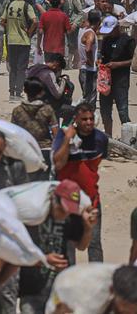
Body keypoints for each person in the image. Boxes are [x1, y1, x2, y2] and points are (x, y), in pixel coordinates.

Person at [17, 180, 97, 314]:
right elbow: (18, 250)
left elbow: (82, 246)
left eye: (68, 211)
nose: (64, 215)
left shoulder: (72, 216)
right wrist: (44, 259)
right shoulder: (33, 213)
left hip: (60, 287)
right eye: (61, 210)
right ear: (54, 198)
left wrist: (88, 229)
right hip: (32, 287)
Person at [52, 102, 107, 262]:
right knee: (67, 244)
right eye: (84, 119)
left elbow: (95, 167)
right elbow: (58, 164)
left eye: (91, 118)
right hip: (67, 202)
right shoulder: (63, 136)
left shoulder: (100, 139)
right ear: (76, 119)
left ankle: (98, 282)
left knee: (94, 243)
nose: (89, 122)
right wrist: (68, 139)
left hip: (91, 199)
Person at [96, 15, 134, 136]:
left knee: (122, 111)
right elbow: (102, 55)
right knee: (105, 111)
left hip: (121, 80)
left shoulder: (128, 41)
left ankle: (127, 139)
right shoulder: (106, 40)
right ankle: (108, 137)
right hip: (106, 81)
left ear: (117, 27)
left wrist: (118, 64)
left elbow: (133, 61)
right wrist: (100, 62)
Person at [3, 0, 37, 99]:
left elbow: (3, 20)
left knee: (12, 67)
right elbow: (35, 21)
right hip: (23, 41)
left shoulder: (10, 5)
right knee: (21, 68)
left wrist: (9, 28)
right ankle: (18, 91)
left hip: (11, 40)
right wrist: (29, 32)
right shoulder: (27, 6)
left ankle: (11, 92)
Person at [78, 9, 101, 104]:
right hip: (89, 71)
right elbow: (88, 49)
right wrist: (91, 62)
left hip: (84, 69)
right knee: (90, 100)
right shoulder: (90, 34)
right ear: (99, 21)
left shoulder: (84, 31)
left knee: (87, 97)